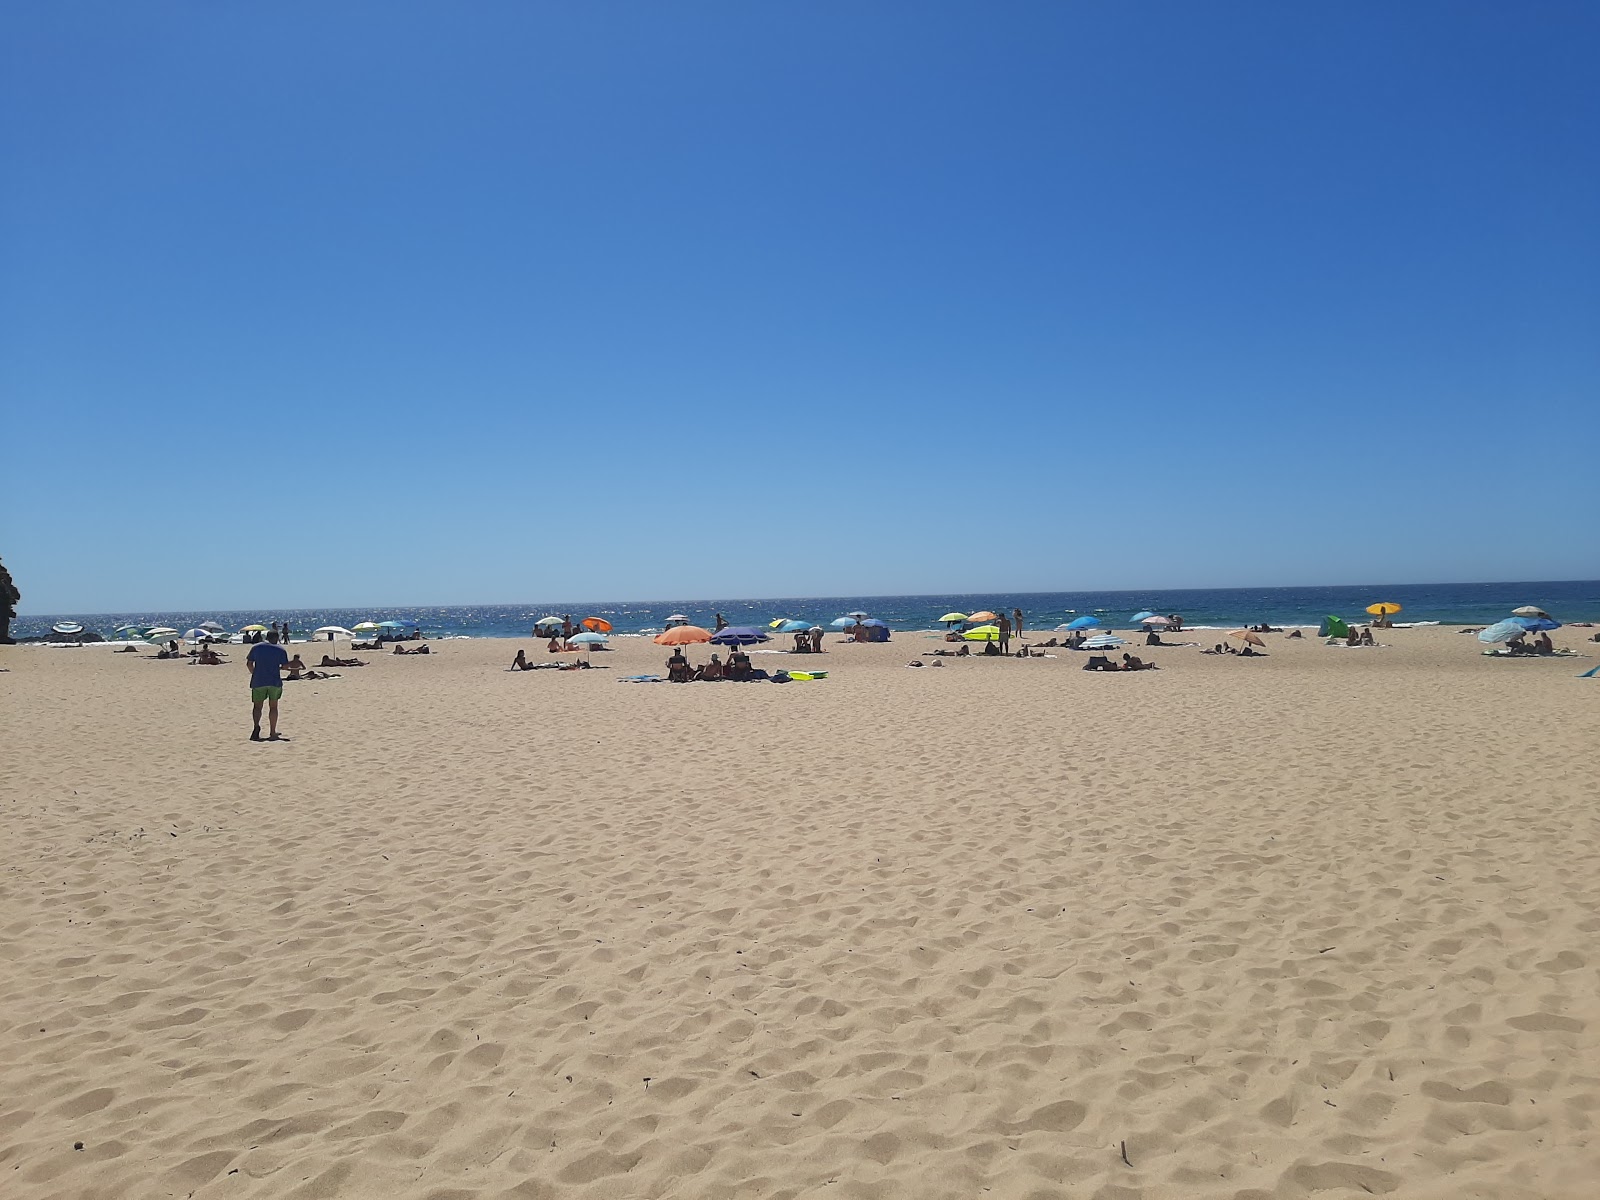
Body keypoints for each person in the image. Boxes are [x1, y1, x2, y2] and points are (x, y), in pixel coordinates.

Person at [246, 630, 290, 741]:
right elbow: (285, 666)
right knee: (273, 706)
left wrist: (254, 673)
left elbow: (249, 664)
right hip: (274, 681)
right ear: (277, 637)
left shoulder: (256, 647)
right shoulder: (280, 649)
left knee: (257, 706)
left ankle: (256, 726)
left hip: (258, 680)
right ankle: (272, 731)